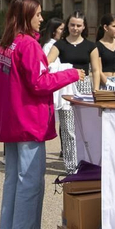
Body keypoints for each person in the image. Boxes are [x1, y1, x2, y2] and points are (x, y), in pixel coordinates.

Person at [0, 0, 81, 229]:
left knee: (13, 179)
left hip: (11, 119)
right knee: (30, 181)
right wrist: (71, 74)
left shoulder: (6, 44)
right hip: (29, 120)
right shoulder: (28, 45)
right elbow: (39, 82)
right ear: (26, 15)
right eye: (38, 14)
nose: (42, 19)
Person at [41, 17, 77, 174]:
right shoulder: (50, 46)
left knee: (68, 126)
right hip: (59, 89)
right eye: (62, 29)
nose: (64, 32)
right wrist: (69, 68)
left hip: (64, 87)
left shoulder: (58, 44)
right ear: (54, 30)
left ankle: (69, 157)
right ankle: (70, 162)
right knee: (67, 127)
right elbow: (48, 67)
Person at [58, 13, 95, 96]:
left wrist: (96, 90)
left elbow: (95, 70)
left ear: (84, 27)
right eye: (72, 25)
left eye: (78, 26)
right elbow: (48, 63)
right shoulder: (59, 45)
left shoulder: (91, 46)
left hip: (84, 84)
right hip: (66, 83)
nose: (75, 28)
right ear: (67, 25)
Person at [91, 14, 115, 91]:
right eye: (114, 26)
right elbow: (98, 69)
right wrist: (108, 84)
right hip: (105, 82)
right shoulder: (97, 46)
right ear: (105, 27)